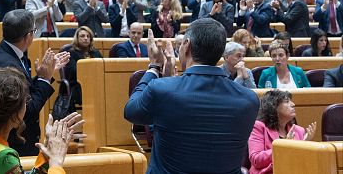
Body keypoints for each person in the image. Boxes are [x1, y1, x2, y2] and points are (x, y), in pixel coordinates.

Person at [124, 18, 259, 173]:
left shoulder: (162, 89)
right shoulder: (249, 100)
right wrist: (169, 81)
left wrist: (154, 67)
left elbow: (131, 111)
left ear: (187, 45)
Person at [0, 68, 84, 174]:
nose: (27, 105)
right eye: (25, 101)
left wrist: (47, 154)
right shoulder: (3, 156)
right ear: (14, 114)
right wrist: (56, 162)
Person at [0, 9, 69, 156]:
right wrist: (44, 79)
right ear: (28, 36)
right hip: (15, 143)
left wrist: (44, 75)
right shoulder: (8, 64)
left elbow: (23, 89)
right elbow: (28, 110)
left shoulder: (5, 52)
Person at [248, 89, 317, 174]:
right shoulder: (259, 126)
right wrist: (282, 146)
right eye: (287, 102)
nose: (293, 104)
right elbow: (256, 160)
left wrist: (305, 144)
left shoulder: (299, 130)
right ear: (274, 107)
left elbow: (302, 162)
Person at [62, 26, 102, 110]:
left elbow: (102, 68)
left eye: (88, 36)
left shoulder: (95, 52)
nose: (86, 38)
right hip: (78, 85)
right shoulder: (71, 52)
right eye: (82, 36)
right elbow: (73, 71)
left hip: (95, 83)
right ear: (77, 38)